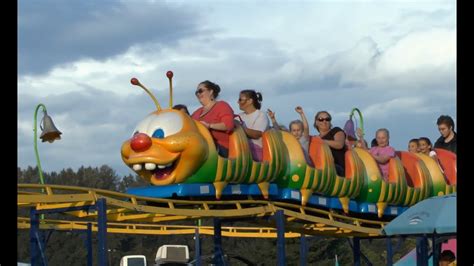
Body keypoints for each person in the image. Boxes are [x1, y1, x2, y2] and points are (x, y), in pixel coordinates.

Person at [191, 80, 235, 157]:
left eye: (200, 91)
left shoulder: (222, 106)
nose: (198, 94)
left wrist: (209, 126)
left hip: (220, 149)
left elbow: (228, 125)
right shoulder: (196, 113)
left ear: (211, 91)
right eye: (196, 92)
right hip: (199, 147)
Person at [237, 90, 269, 161]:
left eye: (240, 99)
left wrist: (239, 128)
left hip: (255, 151)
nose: (238, 102)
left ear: (249, 101)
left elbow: (257, 134)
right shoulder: (238, 116)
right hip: (241, 148)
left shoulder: (261, 115)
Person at [314, 111, 347, 176]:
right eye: (321, 119)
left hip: (336, 166)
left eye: (327, 119)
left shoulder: (336, 130)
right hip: (320, 166)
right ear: (316, 122)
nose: (324, 121)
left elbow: (339, 144)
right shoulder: (315, 139)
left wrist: (322, 141)